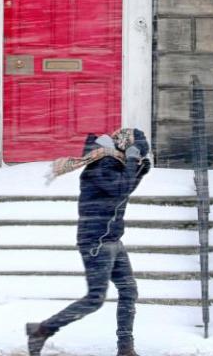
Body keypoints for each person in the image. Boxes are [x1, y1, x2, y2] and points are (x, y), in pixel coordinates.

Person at [26, 128, 151, 356]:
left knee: (128, 290)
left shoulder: (113, 163)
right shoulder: (101, 164)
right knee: (95, 298)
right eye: (137, 152)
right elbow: (120, 189)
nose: (138, 157)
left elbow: (125, 188)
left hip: (111, 238)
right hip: (96, 242)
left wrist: (139, 168)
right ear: (124, 148)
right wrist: (134, 161)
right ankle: (41, 330)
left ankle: (125, 348)